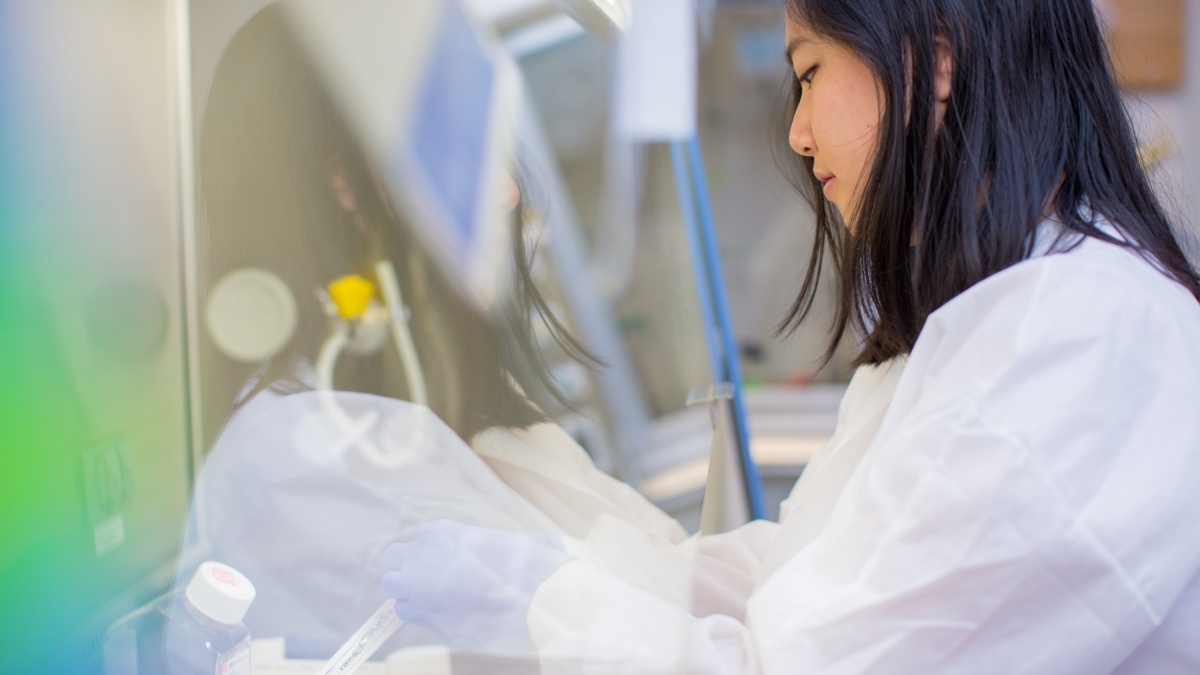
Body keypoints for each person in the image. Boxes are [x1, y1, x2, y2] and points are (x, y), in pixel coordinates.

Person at [381, 0, 1200, 672]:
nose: (797, 133)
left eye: (809, 74)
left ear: (936, 59)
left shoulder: (1079, 339)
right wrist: (577, 569)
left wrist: (542, 595)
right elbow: (798, 573)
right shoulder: (996, 319)